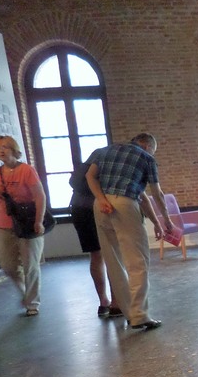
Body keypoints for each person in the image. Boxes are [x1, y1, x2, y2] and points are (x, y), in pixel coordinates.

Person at [85, 133, 173, 331]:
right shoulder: (147, 158)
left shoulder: (105, 150)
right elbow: (156, 193)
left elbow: (90, 176)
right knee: (138, 261)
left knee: (113, 261)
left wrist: (101, 199)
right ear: (148, 146)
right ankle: (139, 315)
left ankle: (129, 313)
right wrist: (166, 219)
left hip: (100, 205)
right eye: (153, 150)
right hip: (125, 204)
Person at [0, 135, 48, 316]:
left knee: (30, 265)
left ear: (14, 150)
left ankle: (32, 303)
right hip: (5, 224)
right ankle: (25, 291)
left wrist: (38, 220)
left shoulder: (26, 170)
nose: (1, 150)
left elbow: (39, 196)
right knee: (7, 266)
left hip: (27, 223)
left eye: (5, 147)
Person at [70, 149, 123, 319]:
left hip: (79, 209)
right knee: (112, 256)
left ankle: (103, 302)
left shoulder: (83, 168)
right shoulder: (107, 166)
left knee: (96, 256)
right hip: (101, 209)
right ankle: (116, 303)